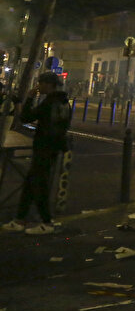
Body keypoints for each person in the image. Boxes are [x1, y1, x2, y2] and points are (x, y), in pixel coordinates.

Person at [2, 72, 70, 235]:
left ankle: (46, 222)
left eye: (41, 83)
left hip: (44, 148)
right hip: (53, 148)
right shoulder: (64, 103)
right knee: (31, 185)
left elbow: (26, 117)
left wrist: (30, 98)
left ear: (49, 84)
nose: (38, 85)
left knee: (38, 186)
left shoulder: (49, 103)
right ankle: (20, 219)